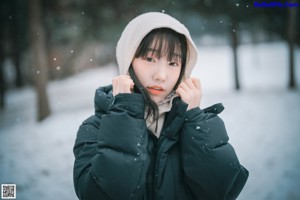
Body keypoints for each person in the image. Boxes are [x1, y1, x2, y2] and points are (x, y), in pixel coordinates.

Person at [73, 12, 248, 200]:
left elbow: (220, 191)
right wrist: (125, 115)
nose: (161, 76)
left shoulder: (193, 124)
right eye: (150, 59)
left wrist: (195, 119)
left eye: (173, 63)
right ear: (128, 59)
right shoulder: (95, 128)